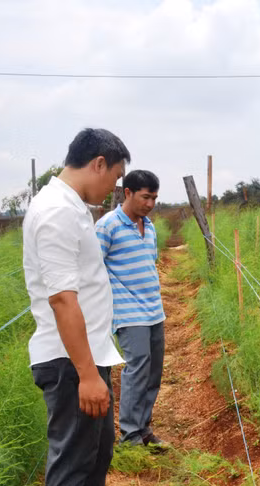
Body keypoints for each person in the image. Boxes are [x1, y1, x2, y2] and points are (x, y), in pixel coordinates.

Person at [23, 129, 142, 486]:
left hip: (88, 357)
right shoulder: (55, 213)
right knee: (71, 459)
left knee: (96, 452)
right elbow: (62, 300)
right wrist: (87, 374)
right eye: (115, 177)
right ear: (98, 163)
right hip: (70, 361)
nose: (114, 188)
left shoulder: (73, 209)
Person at [95, 170, 166, 449]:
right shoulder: (107, 226)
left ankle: (144, 427)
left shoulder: (149, 227)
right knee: (137, 369)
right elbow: (92, 269)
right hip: (127, 312)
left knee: (153, 372)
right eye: (145, 197)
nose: (150, 204)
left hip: (154, 311)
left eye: (155, 198)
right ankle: (130, 436)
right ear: (128, 193)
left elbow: (151, 264)